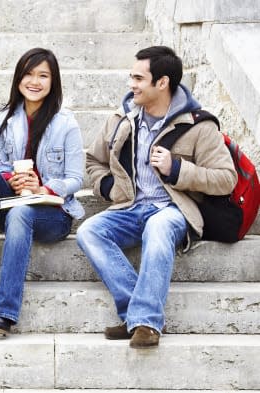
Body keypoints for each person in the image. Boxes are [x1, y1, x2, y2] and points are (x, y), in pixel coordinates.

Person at [76, 46, 237, 349]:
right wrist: (108, 187)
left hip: (173, 209)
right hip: (128, 207)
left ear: (162, 83)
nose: (131, 84)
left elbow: (226, 179)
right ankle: (137, 313)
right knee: (88, 231)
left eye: (138, 78)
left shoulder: (198, 125)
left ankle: (146, 323)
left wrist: (178, 169)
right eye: (131, 76)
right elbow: (92, 162)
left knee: (159, 226)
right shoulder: (122, 120)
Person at [0, 47, 85, 336]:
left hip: (52, 214)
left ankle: (4, 313)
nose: (35, 81)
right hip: (12, 202)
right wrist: (13, 180)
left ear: (53, 81)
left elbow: (76, 178)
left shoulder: (66, 123)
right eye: (29, 74)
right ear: (18, 78)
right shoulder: (4, 119)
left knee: (22, 212)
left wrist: (42, 186)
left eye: (43, 75)